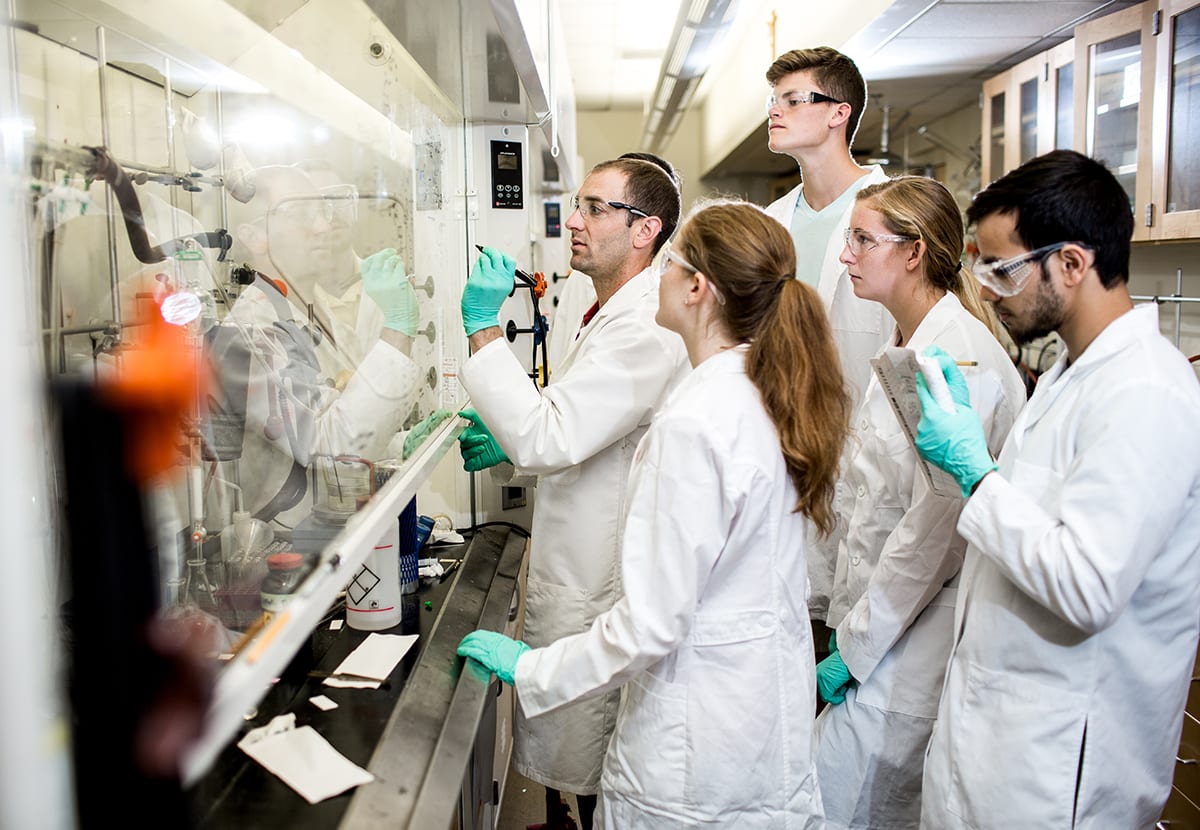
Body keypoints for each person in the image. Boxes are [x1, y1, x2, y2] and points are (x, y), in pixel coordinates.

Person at [458, 200, 851, 828]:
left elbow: (651, 625)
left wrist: (531, 667)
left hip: (693, 753)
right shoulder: (759, 394)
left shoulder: (695, 425)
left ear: (697, 288)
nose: (655, 278)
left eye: (668, 263)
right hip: (749, 721)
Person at [913, 150, 1200, 828]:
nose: (985, 290)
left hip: (1057, 769)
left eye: (1003, 269)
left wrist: (977, 476)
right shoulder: (1076, 374)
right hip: (1001, 740)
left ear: (1072, 264)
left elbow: (1087, 584)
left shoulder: (1147, 392)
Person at [456, 157, 690, 829]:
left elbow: (549, 438)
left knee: (596, 747)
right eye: (578, 205)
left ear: (645, 229)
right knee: (579, 749)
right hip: (580, 545)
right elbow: (573, 417)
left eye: (595, 208)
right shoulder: (598, 305)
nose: (575, 222)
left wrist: (481, 325)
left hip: (604, 567)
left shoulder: (647, 321)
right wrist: (513, 431)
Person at [812, 176, 1026, 828]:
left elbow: (933, 534)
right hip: (878, 637)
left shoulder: (957, 360)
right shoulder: (904, 345)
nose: (846, 255)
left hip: (910, 654)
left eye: (862, 240)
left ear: (913, 252)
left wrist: (856, 646)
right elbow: (871, 501)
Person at [763, 47, 896, 642]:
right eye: (774, 101)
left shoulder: (895, 214)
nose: (775, 112)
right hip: (786, 462)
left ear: (839, 113)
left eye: (793, 100)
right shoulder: (772, 223)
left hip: (872, 468)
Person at [207, 164, 422, 529]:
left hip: (330, 539)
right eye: (302, 214)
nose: (324, 227)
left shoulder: (305, 311)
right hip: (279, 550)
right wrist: (397, 331)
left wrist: (401, 444)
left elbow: (334, 412)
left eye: (322, 211)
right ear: (255, 235)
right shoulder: (251, 333)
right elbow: (331, 450)